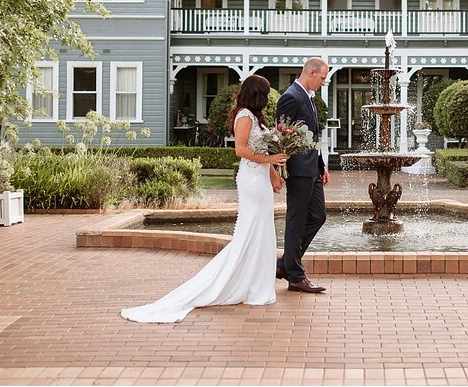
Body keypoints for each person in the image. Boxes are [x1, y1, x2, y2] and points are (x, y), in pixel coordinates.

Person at [120, 75, 287, 323]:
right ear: (257, 95)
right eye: (265, 93)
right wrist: (270, 161)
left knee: (262, 231)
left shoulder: (256, 119)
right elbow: (241, 150)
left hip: (261, 179)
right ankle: (239, 284)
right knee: (250, 230)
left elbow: (261, 151)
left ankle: (255, 286)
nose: (267, 98)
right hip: (251, 182)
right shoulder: (244, 116)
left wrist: (272, 174)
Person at [275, 57, 330, 294]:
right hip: (298, 171)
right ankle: (295, 275)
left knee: (318, 215)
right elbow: (282, 136)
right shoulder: (290, 97)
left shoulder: (308, 97)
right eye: (322, 78)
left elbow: (312, 137)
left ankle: (285, 265)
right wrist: (279, 171)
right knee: (296, 222)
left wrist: (321, 165)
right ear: (310, 72)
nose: (323, 82)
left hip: (312, 169)